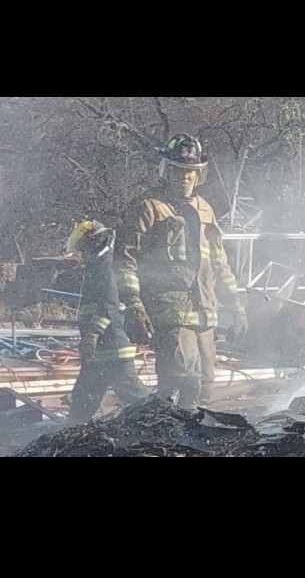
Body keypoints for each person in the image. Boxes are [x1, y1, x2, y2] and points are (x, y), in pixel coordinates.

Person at [115, 134, 248, 409]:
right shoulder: (148, 207)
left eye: (191, 171)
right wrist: (134, 305)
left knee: (205, 388)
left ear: (198, 174)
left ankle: (194, 436)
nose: (185, 176)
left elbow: (220, 265)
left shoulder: (205, 210)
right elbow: (125, 260)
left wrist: (237, 309)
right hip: (170, 315)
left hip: (205, 316)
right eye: (178, 170)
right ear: (167, 170)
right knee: (182, 384)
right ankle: (172, 436)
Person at [65, 220, 150, 423]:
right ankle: (72, 432)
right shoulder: (98, 265)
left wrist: (92, 333)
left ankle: (165, 418)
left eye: (83, 250)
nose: (82, 255)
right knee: (84, 397)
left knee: (135, 396)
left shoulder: (104, 266)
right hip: (101, 351)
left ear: (93, 244)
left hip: (112, 348)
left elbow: (109, 303)